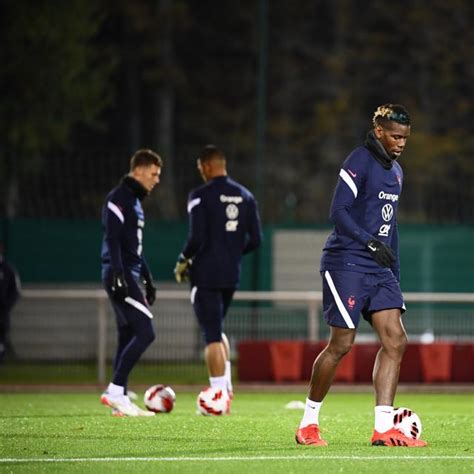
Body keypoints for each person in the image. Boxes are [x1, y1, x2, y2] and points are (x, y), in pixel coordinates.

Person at [296, 104, 427, 447]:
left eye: (406, 138)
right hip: (346, 262)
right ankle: (308, 424)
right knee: (342, 343)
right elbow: (337, 212)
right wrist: (369, 243)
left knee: (396, 340)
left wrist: (394, 272)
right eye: (396, 136)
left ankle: (383, 429)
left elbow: (392, 225)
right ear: (380, 131)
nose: (401, 143)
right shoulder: (358, 160)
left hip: (378, 268)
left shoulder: (397, 172)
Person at [174, 145, 262, 411]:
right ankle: (226, 389)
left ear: (207, 166)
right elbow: (256, 240)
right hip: (231, 274)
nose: (200, 172)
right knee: (217, 328)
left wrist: (182, 260)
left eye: (200, 168)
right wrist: (234, 252)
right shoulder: (246, 196)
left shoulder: (200, 196)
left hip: (206, 274)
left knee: (211, 335)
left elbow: (196, 237)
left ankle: (217, 396)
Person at [100, 149, 162, 417]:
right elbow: (112, 238)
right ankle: (114, 391)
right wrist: (117, 272)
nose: (157, 179)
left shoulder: (135, 201)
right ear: (138, 170)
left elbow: (133, 248)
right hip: (121, 274)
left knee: (127, 334)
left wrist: (147, 278)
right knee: (146, 331)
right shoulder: (119, 197)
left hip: (129, 272)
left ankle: (120, 396)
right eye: (154, 173)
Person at [0, 243, 21, 363]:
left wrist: (6, 307)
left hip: (2, 313)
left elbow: (16, 291)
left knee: (1, 339)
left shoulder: (8, 269)